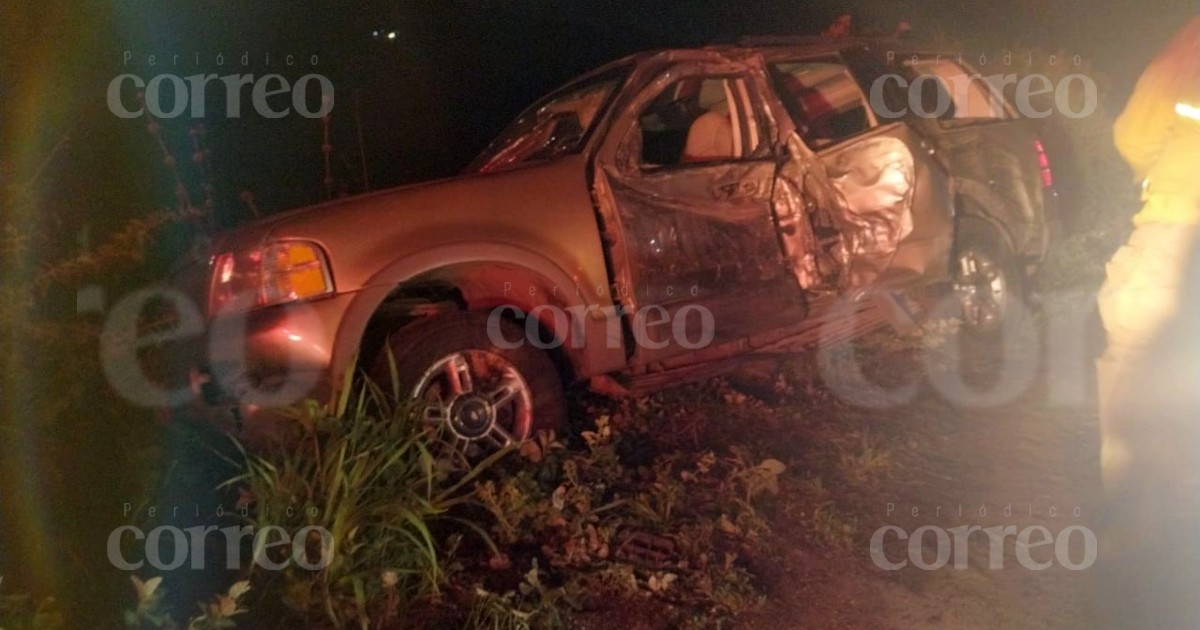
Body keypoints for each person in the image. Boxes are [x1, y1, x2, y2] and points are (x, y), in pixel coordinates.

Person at [1097, 16, 1200, 491]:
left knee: (1136, 373)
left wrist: (1157, 177)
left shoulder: (1193, 42)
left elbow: (1135, 134)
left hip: (1174, 234)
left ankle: (1134, 536)